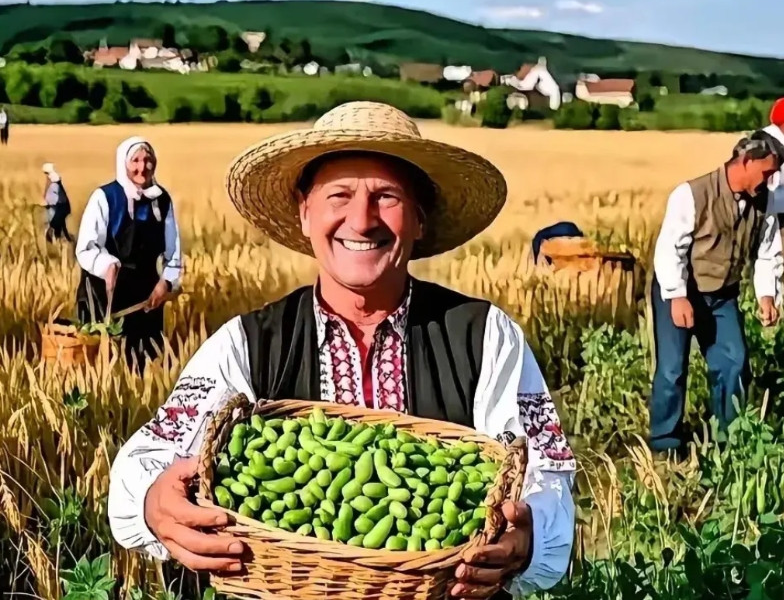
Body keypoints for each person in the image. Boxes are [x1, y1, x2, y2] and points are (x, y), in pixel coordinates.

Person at [107, 102, 576, 598]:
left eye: (386, 196)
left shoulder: (485, 336)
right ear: (305, 214)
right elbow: (148, 457)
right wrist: (153, 504)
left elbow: (546, 478)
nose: (362, 219)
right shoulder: (246, 344)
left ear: (419, 219)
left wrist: (528, 539)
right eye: (340, 195)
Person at [649, 130, 784, 456]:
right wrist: (677, 294)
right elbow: (670, 249)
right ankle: (665, 445)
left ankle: (729, 441)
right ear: (746, 161)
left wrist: (767, 294)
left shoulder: (763, 201)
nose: (771, 180)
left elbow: (767, 251)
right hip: (682, 290)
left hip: (723, 295)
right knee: (672, 369)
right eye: (767, 172)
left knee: (734, 363)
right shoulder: (691, 194)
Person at [75, 136, 183, 371]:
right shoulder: (105, 198)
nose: (142, 167)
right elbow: (85, 247)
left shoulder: (162, 201)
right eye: (135, 160)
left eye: (148, 160)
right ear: (123, 163)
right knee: (103, 364)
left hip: (146, 294)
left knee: (145, 361)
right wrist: (106, 264)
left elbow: (174, 251)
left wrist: (166, 282)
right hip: (104, 292)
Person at [42, 163, 73, 243]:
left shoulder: (53, 182)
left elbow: (50, 195)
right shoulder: (55, 182)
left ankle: (58, 240)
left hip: (58, 205)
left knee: (54, 224)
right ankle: (63, 239)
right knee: (59, 224)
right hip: (59, 205)